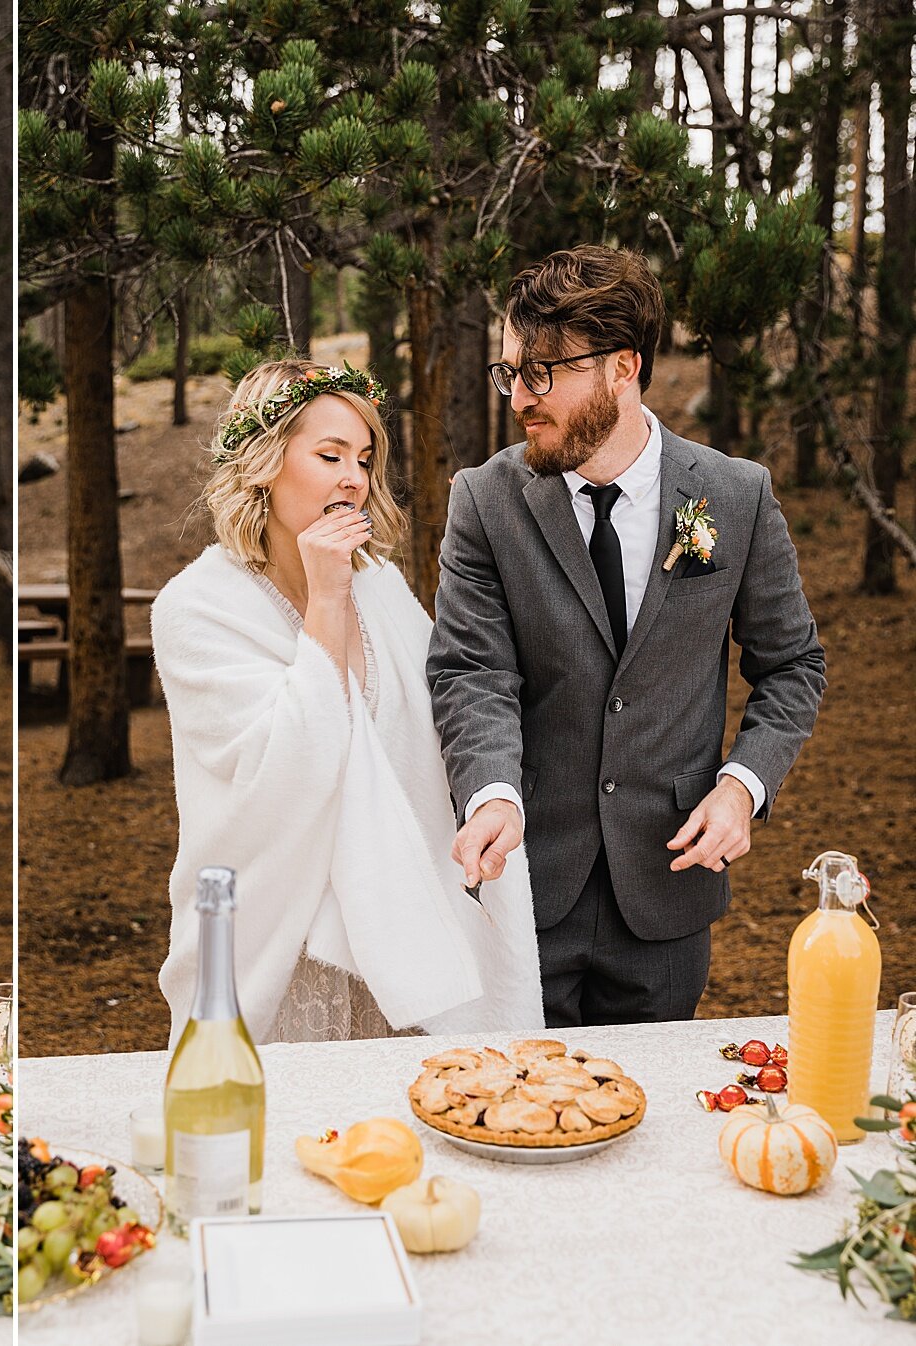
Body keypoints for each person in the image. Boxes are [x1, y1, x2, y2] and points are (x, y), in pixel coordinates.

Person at [429, 245, 826, 1028]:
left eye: (543, 372)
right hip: (528, 879)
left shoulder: (734, 495)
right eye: (510, 371)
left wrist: (743, 786)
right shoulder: (484, 501)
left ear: (623, 367)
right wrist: (490, 794)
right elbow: (470, 671)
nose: (519, 397)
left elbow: (792, 665)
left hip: (668, 887)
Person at [151, 359, 543, 1045]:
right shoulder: (194, 609)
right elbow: (292, 769)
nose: (354, 479)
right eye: (330, 454)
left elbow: (443, 713)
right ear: (264, 463)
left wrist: (491, 795)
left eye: (364, 459)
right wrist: (327, 595)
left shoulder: (381, 584)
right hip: (289, 942)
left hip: (400, 925)